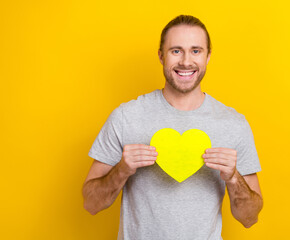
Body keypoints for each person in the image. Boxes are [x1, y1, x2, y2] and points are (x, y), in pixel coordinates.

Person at [82, 15, 263, 240]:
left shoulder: (234, 124)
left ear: (208, 56)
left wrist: (234, 177)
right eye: (176, 51)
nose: (186, 61)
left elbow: (250, 218)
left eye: (196, 51)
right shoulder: (126, 117)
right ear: (161, 56)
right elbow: (91, 204)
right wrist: (122, 170)